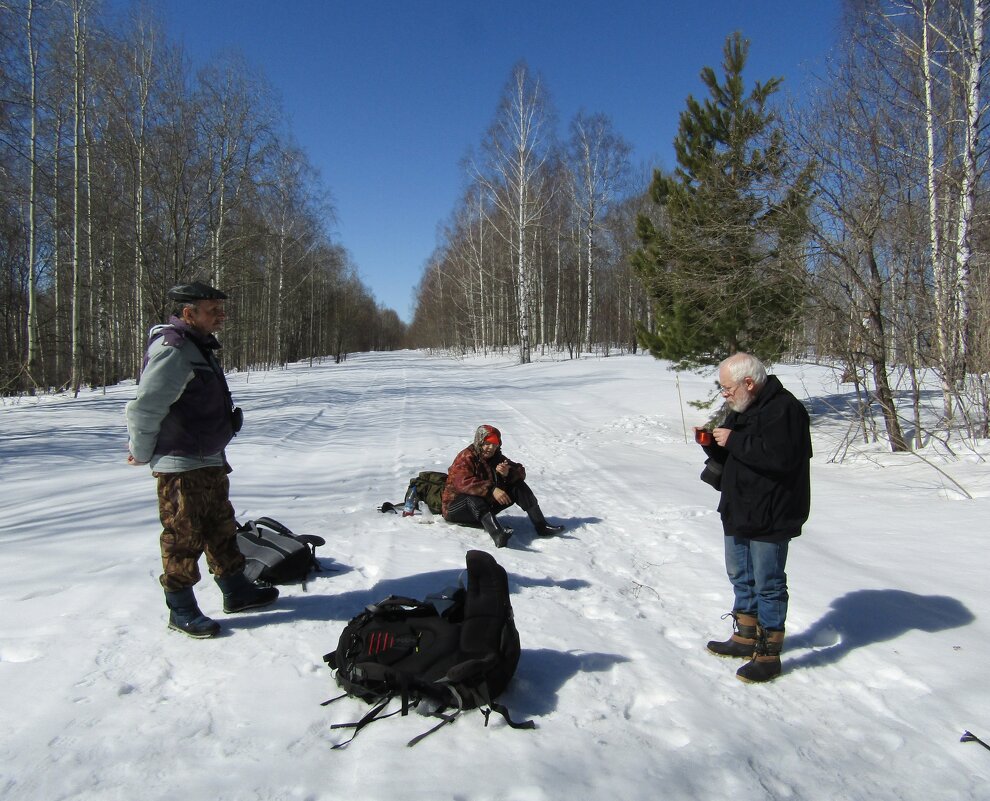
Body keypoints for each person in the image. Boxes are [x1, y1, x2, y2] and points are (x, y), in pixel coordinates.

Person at [126, 281, 278, 639]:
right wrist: (143, 451)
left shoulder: (197, 346)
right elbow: (144, 408)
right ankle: (180, 609)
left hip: (208, 458)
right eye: (213, 309)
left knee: (221, 527)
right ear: (189, 313)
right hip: (181, 464)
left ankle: (237, 591)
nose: (221, 315)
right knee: (183, 536)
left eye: (221, 309)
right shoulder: (174, 349)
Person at [696, 352, 812, 683]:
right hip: (739, 506)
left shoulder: (785, 409)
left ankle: (768, 652)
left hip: (772, 512)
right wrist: (711, 442)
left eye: (727, 387)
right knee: (740, 575)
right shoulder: (741, 407)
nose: (724, 394)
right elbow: (736, 452)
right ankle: (744, 637)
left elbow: (782, 459)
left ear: (749, 382)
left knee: (769, 583)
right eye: (722, 388)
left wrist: (735, 440)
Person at [442, 424, 565, 548]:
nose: (491, 448)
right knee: (472, 498)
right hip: (456, 509)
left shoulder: (497, 458)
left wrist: (508, 472)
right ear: (479, 442)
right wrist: (492, 489)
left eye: (495, 444)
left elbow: (520, 471)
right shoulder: (466, 457)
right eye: (487, 444)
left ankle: (541, 525)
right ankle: (498, 534)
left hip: (483, 507)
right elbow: (462, 482)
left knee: (517, 484)